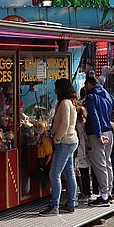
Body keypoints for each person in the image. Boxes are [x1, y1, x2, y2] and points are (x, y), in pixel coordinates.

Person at [84, 72, 114, 207]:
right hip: (109, 132)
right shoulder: (106, 94)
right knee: (107, 163)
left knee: (99, 164)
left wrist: (98, 133)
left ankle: (104, 195)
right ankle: (109, 192)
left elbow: (94, 116)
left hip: (98, 134)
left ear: (89, 84)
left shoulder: (91, 97)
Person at [40, 78, 79, 215]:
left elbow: (64, 124)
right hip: (71, 140)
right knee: (69, 172)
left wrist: (57, 138)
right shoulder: (71, 102)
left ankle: (54, 205)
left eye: (56, 88)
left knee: (54, 173)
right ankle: (71, 203)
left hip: (65, 142)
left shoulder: (64, 103)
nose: (55, 90)